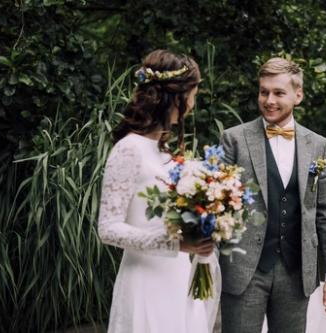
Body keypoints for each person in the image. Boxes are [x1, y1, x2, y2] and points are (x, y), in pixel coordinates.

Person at [220, 57, 326, 333]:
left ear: (298, 95)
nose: (269, 100)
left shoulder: (318, 145)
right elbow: (215, 206)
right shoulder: (234, 139)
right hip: (244, 270)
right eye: (264, 92)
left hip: (296, 272)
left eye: (278, 92)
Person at [97, 49, 217, 333]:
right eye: (194, 93)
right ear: (176, 96)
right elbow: (108, 228)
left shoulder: (162, 153)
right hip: (145, 283)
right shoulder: (129, 149)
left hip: (177, 278)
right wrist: (174, 244)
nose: (194, 102)